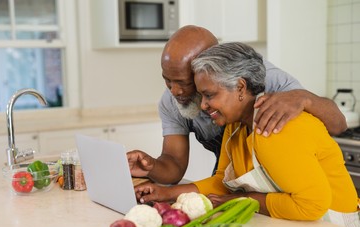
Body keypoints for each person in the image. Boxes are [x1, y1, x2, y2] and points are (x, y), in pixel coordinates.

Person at [134, 42, 360, 227]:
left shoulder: (274, 127)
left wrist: (240, 200)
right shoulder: (235, 127)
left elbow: (312, 206)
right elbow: (222, 182)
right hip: (298, 224)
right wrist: (166, 193)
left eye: (209, 95)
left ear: (241, 88)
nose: (202, 105)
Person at [127, 25, 347, 185]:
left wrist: (304, 98)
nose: (174, 91)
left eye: (184, 82)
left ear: (208, 68)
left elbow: (338, 125)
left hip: (290, 182)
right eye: (167, 80)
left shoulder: (265, 78)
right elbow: (174, 163)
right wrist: (151, 166)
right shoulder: (171, 101)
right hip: (233, 178)